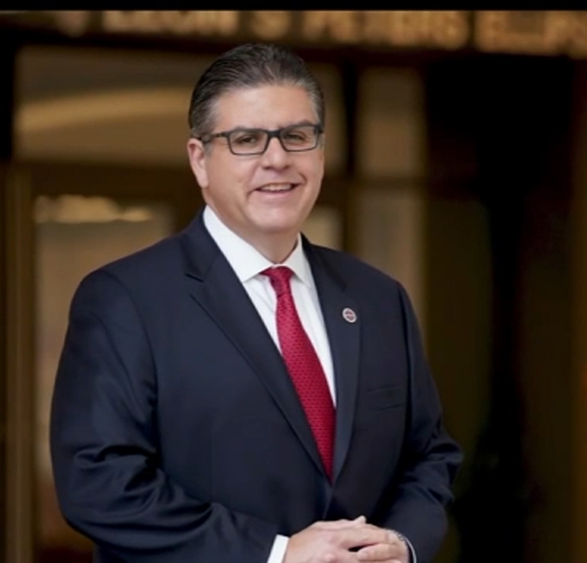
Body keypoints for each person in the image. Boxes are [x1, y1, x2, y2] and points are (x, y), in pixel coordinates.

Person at [49, 43, 462, 563]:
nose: (277, 159)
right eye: (246, 140)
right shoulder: (125, 300)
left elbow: (428, 454)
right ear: (200, 160)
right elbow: (99, 483)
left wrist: (401, 543)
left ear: (320, 152)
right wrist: (276, 553)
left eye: (297, 136)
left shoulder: (378, 298)